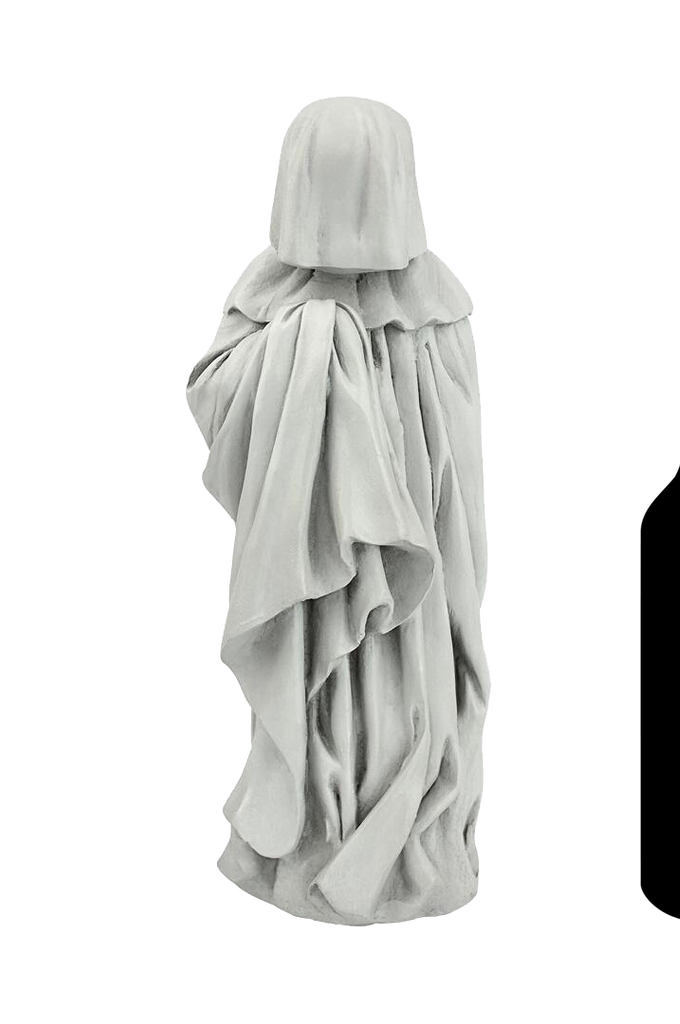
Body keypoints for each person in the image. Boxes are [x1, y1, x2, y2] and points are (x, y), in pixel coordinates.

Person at [184, 94, 490, 926]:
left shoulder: (436, 301)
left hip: (411, 589)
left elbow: (458, 463)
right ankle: (315, 839)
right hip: (310, 570)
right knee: (323, 695)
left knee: (404, 703)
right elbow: (214, 397)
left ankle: (398, 850)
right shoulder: (270, 293)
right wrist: (308, 347)